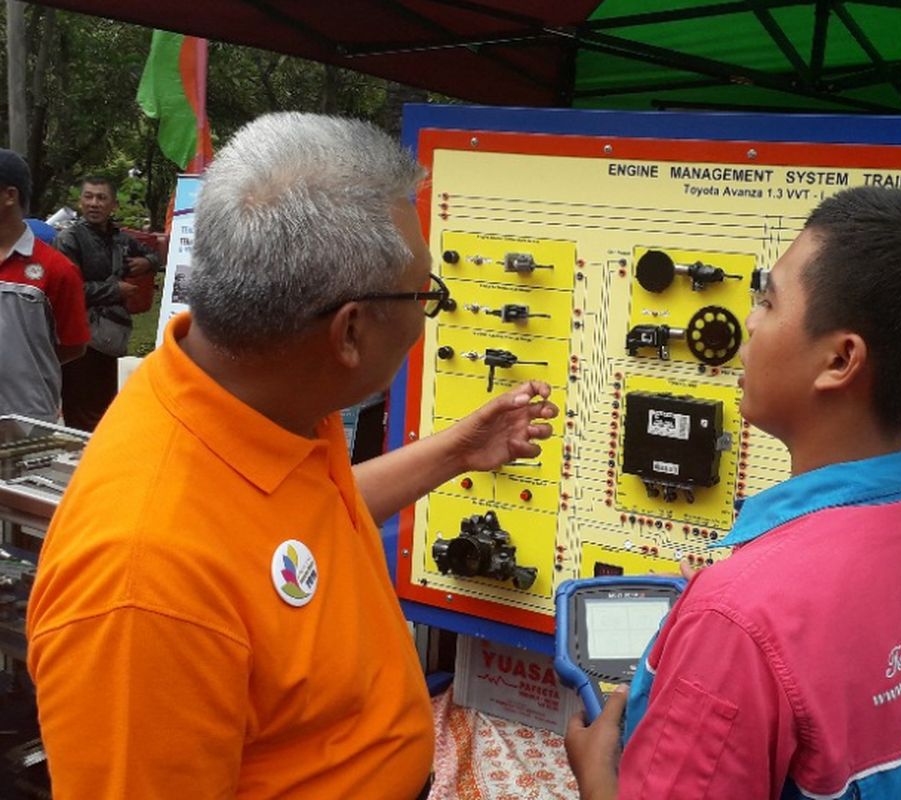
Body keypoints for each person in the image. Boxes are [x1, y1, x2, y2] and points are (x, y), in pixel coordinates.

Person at [28, 113, 558, 799]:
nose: (427, 319)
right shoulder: (144, 585)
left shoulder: (255, 399)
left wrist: (457, 450)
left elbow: (297, 524)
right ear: (350, 331)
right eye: (426, 295)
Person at [566, 186, 901, 800]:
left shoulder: (739, 621)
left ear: (840, 360)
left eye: (768, 301)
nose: (747, 320)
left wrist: (596, 780)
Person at [55, 175, 161, 431]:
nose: (94, 203)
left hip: (113, 337)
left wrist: (147, 263)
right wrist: (115, 290)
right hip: (80, 339)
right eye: (88, 197)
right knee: (81, 413)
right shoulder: (70, 239)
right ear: (80, 202)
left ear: (114, 205)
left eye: (101, 198)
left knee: (105, 409)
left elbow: (156, 255)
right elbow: (69, 291)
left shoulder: (120, 238)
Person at [0, 149, 89, 423]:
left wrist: (25, 365)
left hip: (27, 421)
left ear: (9, 196)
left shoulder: (57, 269)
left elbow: (73, 344)